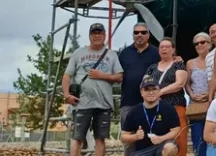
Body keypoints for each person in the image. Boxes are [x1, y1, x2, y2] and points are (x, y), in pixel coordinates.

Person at [62, 22, 123, 156]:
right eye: (94, 33)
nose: (97, 36)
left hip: (103, 104)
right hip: (81, 103)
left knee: (100, 139)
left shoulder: (112, 54)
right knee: (77, 137)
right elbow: (66, 76)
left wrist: (102, 75)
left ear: (104, 35)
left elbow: (119, 77)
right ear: (89, 36)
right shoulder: (78, 53)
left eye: (99, 33)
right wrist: (67, 95)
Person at [118, 23, 160, 156]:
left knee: (151, 137)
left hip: (152, 103)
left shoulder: (156, 52)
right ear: (133, 35)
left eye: (143, 32)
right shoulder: (124, 53)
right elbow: (118, 75)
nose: (139, 35)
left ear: (148, 34)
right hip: (128, 102)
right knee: (129, 139)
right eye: (136, 32)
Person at [145, 37, 188, 156]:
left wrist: (160, 92)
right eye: (161, 47)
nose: (164, 49)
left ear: (173, 49)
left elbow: (179, 84)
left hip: (175, 107)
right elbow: (144, 85)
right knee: (157, 138)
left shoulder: (178, 64)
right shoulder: (152, 67)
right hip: (156, 108)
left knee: (179, 138)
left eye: (167, 46)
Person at [120, 75, 180, 156]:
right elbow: (123, 136)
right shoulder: (134, 111)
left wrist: (161, 138)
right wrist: (135, 136)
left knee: (170, 147)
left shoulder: (168, 108)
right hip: (143, 150)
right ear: (141, 92)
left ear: (159, 91)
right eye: (147, 89)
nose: (151, 92)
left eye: (154, 89)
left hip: (161, 146)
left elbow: (176, 131)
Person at [186, 32, 212, 156]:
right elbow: (186, 84)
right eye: (196, 43)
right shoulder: (190, 63)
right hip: (196, 106)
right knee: (198, 139)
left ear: (209, 44)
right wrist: (191, 94)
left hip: (212, 104)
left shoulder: (215, 60)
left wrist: (209, 94)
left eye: (203, 42)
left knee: (213, 138)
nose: (199, 45)